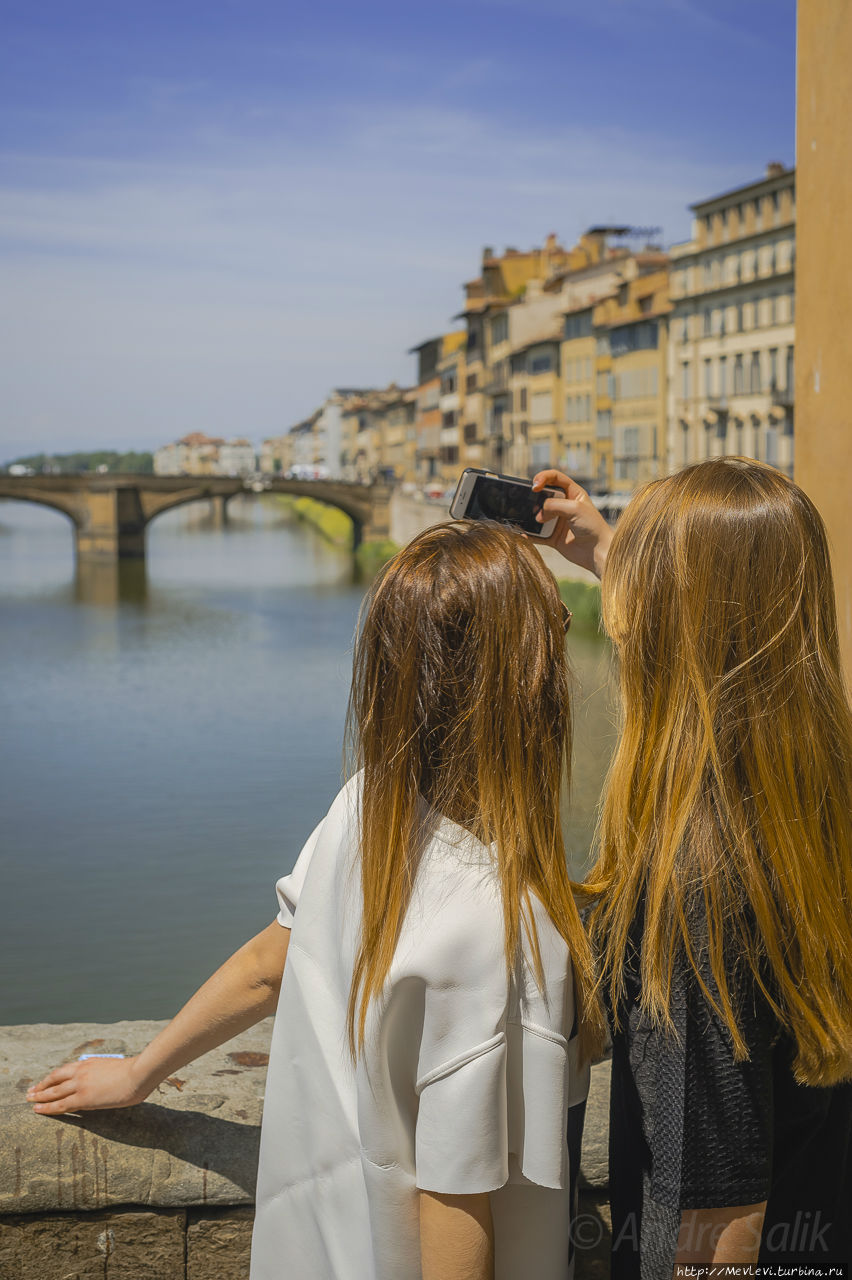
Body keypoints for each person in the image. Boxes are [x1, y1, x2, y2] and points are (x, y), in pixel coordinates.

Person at [27, 520, 604, 1280]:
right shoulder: (497, 926)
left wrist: (142, 1072)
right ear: (529, 684)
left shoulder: (368, 810)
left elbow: (273, 961)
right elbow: (455, 1208)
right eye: (554, 629)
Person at [534, 458, 852, 1275]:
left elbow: (722, 1230)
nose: (616, 618)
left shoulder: (695, 885)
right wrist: (617, 551)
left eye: (640, 588)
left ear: (672, 621)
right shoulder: (818, 795)